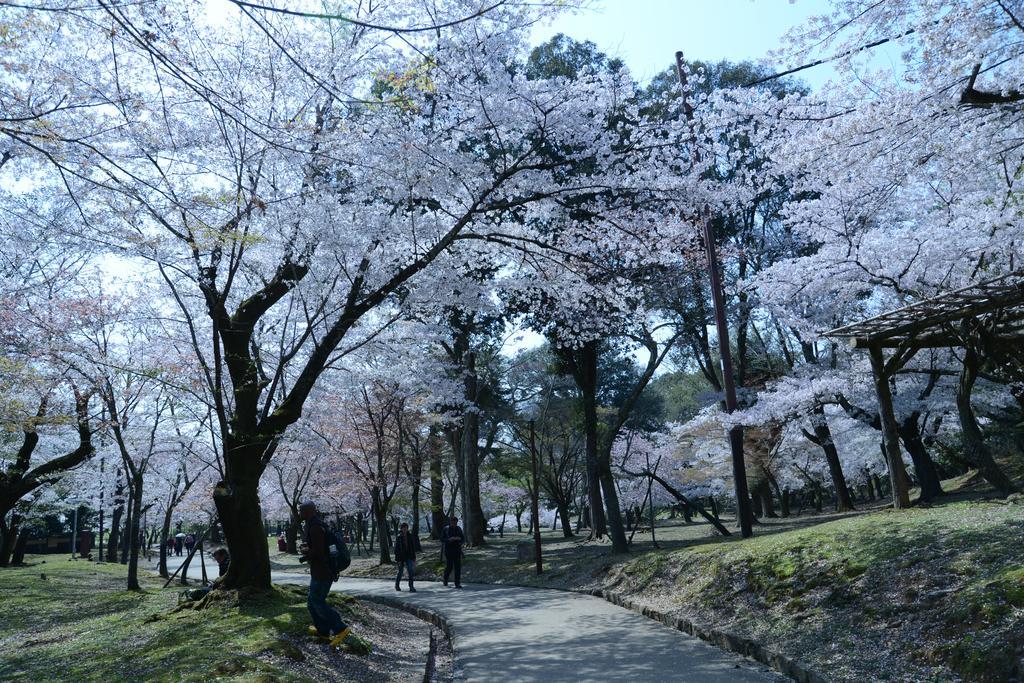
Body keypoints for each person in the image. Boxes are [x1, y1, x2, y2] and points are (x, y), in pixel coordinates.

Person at [299, 501, 351, 647]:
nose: (299, 513)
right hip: (319, 571)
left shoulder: (315, 527)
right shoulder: (314, 524)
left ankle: (340, 628)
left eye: (301, 511)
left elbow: (319, 552)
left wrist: (306, 551)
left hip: (323, 571)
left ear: (309, 511)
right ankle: (323, 631)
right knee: (311, 602)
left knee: (317, 601)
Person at [393, 522, 421, 592]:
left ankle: (411, 586)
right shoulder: (399, 537)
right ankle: (397, 585)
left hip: (409, 556)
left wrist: (414, 557)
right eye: (404, 528)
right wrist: (398, 559)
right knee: (400, 572)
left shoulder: (410, 536)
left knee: (410, 571)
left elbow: (412, 547)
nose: (405, 529)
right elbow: (396, 549)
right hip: (401, 557)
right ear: (401, 529)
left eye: (406, 528)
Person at [440, 516, 464, 589]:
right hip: (449, 550)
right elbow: (441, 539)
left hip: (457, 550)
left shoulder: (459, 528)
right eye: (453, 522)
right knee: (449, 566)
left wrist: (459, 539)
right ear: (451, 522)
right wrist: (449, 540)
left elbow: (463, 538)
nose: (454, 524)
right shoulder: (446, 529)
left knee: (457, 567)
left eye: (456, 522)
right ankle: (445, 579)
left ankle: (457, 583)